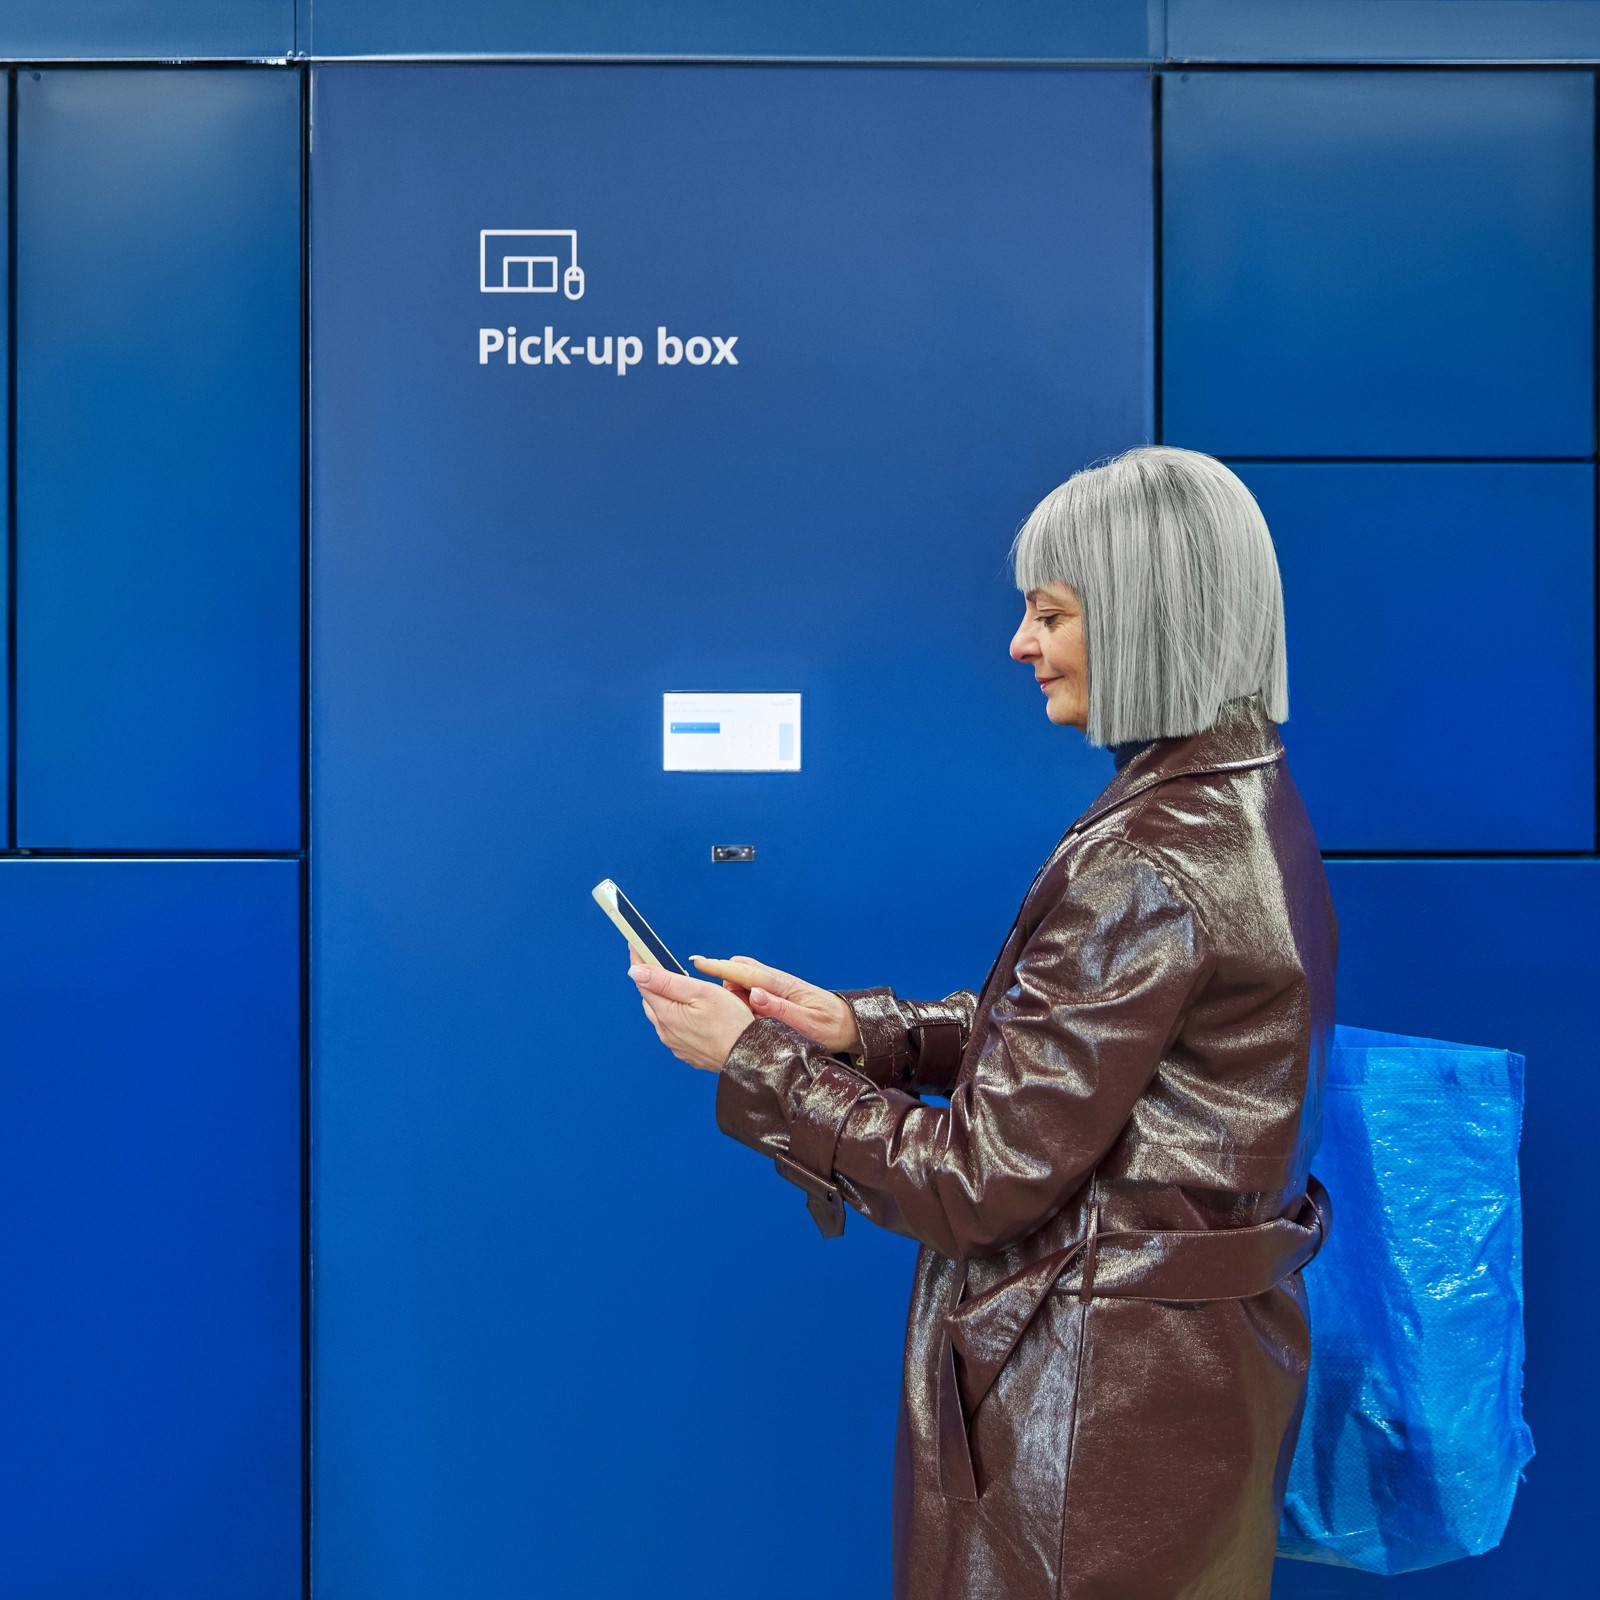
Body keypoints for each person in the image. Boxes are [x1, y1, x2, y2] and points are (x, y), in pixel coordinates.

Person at [629, 444, 1336, 1600]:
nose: (1018, 643)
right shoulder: (1241, 798)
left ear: (1149, 616)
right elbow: (1109, 1045)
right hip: (1180, 1395)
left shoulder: (1149, 860)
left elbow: (973, 1182)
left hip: (1089, 1431)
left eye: (1050, 613)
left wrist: (754, 1060)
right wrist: (869, 1034)